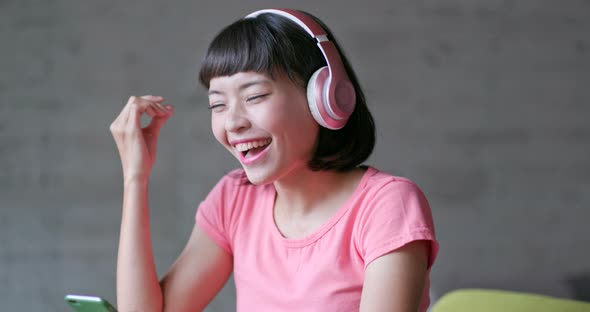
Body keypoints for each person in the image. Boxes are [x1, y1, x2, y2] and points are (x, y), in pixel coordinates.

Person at [110, 8, 438, 312]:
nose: (233, 122)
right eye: (217, 105)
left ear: (324, 98)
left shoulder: (387, 205)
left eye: (255, 96)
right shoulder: (234, 199)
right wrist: (135, 176)